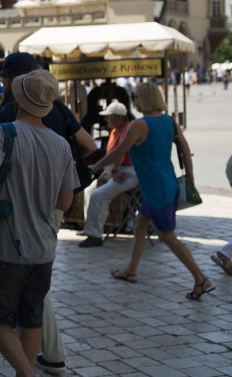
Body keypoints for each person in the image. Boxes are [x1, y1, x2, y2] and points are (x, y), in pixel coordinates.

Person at [0, 69, 77, 377]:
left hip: (7, 246)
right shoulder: (61, 144)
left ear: (19, 99)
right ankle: (26, 370)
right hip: (44, 246)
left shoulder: (3, 132)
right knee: (32, 316)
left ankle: (27, 373)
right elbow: (65, 202)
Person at [0, 52, 95, 375]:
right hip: (52, 206)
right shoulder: (59, 109)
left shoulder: (9, 116)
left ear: (14, 80)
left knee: (22, 291)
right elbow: (90, 145)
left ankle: (48, 356)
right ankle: (47, 355)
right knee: (36, 282)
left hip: (15, 210)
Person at [91, 82, 214, 300]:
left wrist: (95, 166)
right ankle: (131, 270)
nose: (134, 101)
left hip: (156, 189)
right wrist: (191, 179)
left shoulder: (140, 125)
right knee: (140, 223)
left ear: (143, 99)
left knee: (167, 235)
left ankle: (201, 278)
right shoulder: (168, 121)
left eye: (136, 96)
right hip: (165, 183)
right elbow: (185, 150)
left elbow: (119, 151)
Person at [79, 101, 139, 247]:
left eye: (109, 117)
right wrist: (105, 173)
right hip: (115, 170)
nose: (106, 120)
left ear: (118, 118)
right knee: (89, 191)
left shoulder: (128, 130)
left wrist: (105, 170)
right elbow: (112, 156)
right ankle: (92, 227)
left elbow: (118, 154)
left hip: (128, 172)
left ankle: (95, 235)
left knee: (98, 195)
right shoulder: (115, 131)